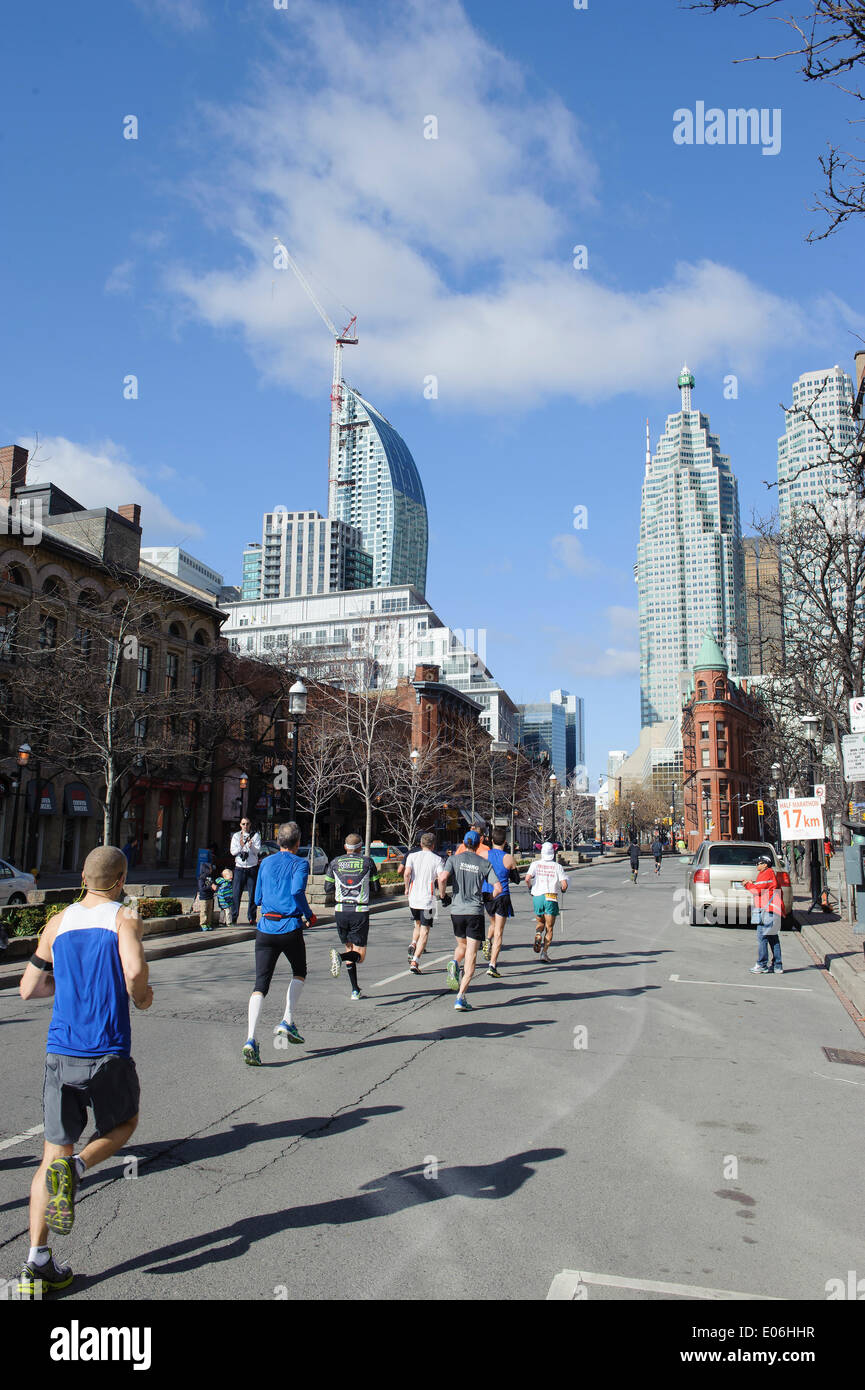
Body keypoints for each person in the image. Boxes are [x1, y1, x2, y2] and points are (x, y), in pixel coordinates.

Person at [16, 845, 151, 1297]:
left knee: (49, 1152)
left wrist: (65, 982)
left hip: (61, 1049)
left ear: (83, 877)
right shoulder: (123, 918)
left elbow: (28, 988)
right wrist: (143, 995)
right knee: (124, 1122)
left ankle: (36, 1264)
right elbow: (133, 974)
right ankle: (75, 1170)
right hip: (106, 1049)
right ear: (121, 879)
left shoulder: (58, 923)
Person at [242, 821, 315, 1066]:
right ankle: (287, 1019)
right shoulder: (301, 863)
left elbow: (258, 896)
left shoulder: (265, 863)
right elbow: (296, 892)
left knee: (260, 984)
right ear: (297, 842)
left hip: (265, 928)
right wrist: (309, 914)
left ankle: (251, 1038)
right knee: (299, 972)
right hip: (290, 927)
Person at [438, 831, 502, 1011]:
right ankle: (461, 997)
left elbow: (442, 878)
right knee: (472, 957)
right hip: (474, 912)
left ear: (464, 843)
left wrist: (444, 896)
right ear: (478, 843)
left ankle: (454, 963)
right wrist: (489, 897)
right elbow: (498, 887)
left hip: (456, 911)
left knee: (462, 946)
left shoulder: (453, 860)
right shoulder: (484, 863)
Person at [325, 834, 381, 1000]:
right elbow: (376, 887)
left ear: (345, 847)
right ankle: (340, 958)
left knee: (350, 948)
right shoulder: (367, 862)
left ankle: (355, 989)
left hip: (341, 910)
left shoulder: (335, 862)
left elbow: (327, 888)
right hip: (359, 910)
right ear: (360, 848)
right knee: (360, 956)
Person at [403, 832, 443, 974]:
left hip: (413, 898)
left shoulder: (412, 856)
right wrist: (442, 894)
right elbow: (441, 878)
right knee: (425, 930)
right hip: (428, 899)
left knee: (417, 924)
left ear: (420, 844)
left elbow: (407, 873)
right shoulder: (437, 859)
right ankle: (415, 961)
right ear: (433, 845)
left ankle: (413, 942)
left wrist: (407, 888)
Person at [524, 842, 569, 963]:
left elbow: (527, 878)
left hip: (537, 896)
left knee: (540, 922)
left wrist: (530, 887)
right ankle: (544, 953)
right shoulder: (557, 866)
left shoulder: (535, 864)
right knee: (549, 928)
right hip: (551, 897)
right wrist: (563, 889)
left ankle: (538, 933)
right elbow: (564, 884)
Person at [483, 828, 518, 977]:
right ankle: (492, 964)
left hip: (487, 895)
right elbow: (516, 879)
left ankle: (487, 940)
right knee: (499, 931)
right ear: (505, 842)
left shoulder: (483, 855)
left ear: (491, 841)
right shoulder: (508, 858)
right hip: (502, 896)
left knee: (492, 922)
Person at [744, 853, 784, 975]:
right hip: (772, 909)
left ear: (765, 864)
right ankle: (777, 965)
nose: (757, 864)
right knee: (773, 938)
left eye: (759, 863)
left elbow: (757, 890)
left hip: (767, 910)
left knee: (762, 937)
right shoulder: (768, 873)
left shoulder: (766, 873)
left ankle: (762, 964)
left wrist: (747, 884)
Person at [230, 817, 262, 926]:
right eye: (243, 824)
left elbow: (257, 851)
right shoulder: (236, 836)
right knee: (236, 893)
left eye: (247, 824)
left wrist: (251, 845)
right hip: (239, 867)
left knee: (252, 894)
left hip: (252, 868)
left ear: (250, 824)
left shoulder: (256, 836)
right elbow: (233, 852)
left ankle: (252, 917)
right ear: (240, 825)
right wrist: (241, 846)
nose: (245, 826)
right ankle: (233, 917)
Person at [196, 852, 216, 932]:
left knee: (209, 911)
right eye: (210, 868)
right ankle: (203, 923)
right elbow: (202, 888)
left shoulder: (211, 877)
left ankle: (208, 923)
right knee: (204, 911)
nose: (211, 870)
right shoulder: (202, 878)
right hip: (204, 897)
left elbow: (213, 883)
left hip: (210, 896)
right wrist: (210, 887)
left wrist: (215, 886)